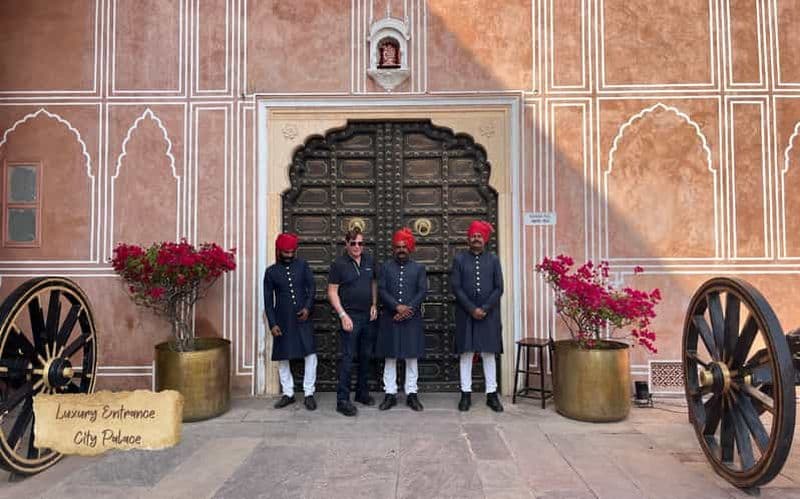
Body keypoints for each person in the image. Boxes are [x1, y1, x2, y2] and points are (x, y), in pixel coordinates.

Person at [450, 220, 504, 412]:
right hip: (466, 314)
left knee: (489, 354)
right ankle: (465, 394)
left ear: (485, 239)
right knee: (466, 354)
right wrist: (472, 308)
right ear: (469, 238)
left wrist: (486, 308)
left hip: (489, 316)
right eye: (473, 235)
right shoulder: (459, 260)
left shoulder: (494, 260)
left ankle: (492, 395)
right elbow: (456, 287)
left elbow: (499, 287)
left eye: (479, 236)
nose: (476, 239)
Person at [375, 228, 428, 411]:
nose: (401, 250)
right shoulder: (385, 267)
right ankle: (390, 394)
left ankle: (411, 394)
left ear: (410, 248)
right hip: (391, 318)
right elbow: (381, 290)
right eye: (397, 247)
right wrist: (396, 307)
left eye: (404, 247)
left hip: (411, 319)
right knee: (390, 357)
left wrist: (407, 309)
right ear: (393, 249)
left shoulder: (419, 268)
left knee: (411, 357)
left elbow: (422, 291)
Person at [327, 227, 378, 416]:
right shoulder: (338, 264)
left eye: (360, 243)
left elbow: (373, 283)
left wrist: (374, 303)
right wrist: (342, 315)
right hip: (350, 317)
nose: (357, 247)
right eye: (353, 243)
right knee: (348, 359)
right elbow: (332, 292)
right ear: (346, 244)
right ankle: (342, 400)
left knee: (366, 356)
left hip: (368, 316)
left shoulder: (369, 261)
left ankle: (362, 393)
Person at [264, 232, 317, 410]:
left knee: (310, 354)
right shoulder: (271, 272)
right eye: (285, 252)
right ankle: (288, 393)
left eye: (291, 252)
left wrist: (308, 308)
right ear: (279, 251)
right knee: (283, 356)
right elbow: (267, 301)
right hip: (282, 320)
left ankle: (309, 393)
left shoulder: (303, 266)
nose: (288, 256)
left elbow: (312, 288)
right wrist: (272, 323)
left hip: (303, 318)